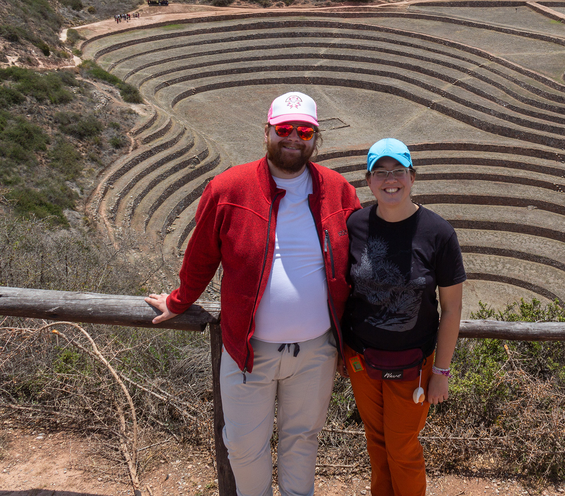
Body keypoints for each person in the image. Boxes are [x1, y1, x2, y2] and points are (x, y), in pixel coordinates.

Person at [145, 91, 361, 496]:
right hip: (248, 350)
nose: (293, 138)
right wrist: (179, 300)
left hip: (316, 351)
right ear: (267, 132)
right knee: (243, 446)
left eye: (304, 130)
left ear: (316, 137)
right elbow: (201, 255)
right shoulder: (229, 188)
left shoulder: (339, 190)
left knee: (303, 440)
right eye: (284, 129)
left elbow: (356, 264)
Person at [341, 138, 466, 496]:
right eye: (380, 172)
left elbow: (452, 309)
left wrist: (441, 373)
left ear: (412, 177)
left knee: (402, 447)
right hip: (361, 359)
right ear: (368, 181)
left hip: (413, 362)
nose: (389, 179)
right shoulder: (356, 226)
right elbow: (343, 290)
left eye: (398, 171)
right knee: (376, 443)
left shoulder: (438, 233)